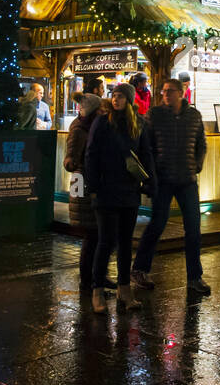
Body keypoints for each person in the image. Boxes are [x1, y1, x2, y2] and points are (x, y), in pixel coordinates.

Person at [132, 78, 210, 295]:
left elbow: (201, 143)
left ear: (181, 93)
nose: (165, 94)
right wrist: (152, 172)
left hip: (187, 179)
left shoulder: (194, 116)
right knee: (157, 224)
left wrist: (197, 164)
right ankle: (139, 269)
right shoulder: (155, 115)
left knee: (193, 229)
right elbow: (145, 145)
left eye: (170, 91)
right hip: (163, 179)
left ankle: (195, 277)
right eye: (164, 91)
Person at [84, 82, 155, 315]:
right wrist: (93, 185)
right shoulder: (102, 122)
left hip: (129, 190)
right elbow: (91, 154)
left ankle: (125, 290)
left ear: (130, 100)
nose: (116, 99)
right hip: (106, 190)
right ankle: (97, 290)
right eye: (114, 95)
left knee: (125, 242)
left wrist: (150, 182)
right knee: (106, 241)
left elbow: (146, 154)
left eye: (121, 96)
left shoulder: (139, 124)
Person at [63, 91, 108, 293]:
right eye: (100, 108)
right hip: (84, 183)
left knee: (97, 235)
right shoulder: (81, 129)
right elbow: (70, 161)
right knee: (92, 235)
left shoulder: (91, 126)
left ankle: (96, 276)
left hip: (87, 182)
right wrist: (79, 165)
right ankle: (86, 280)